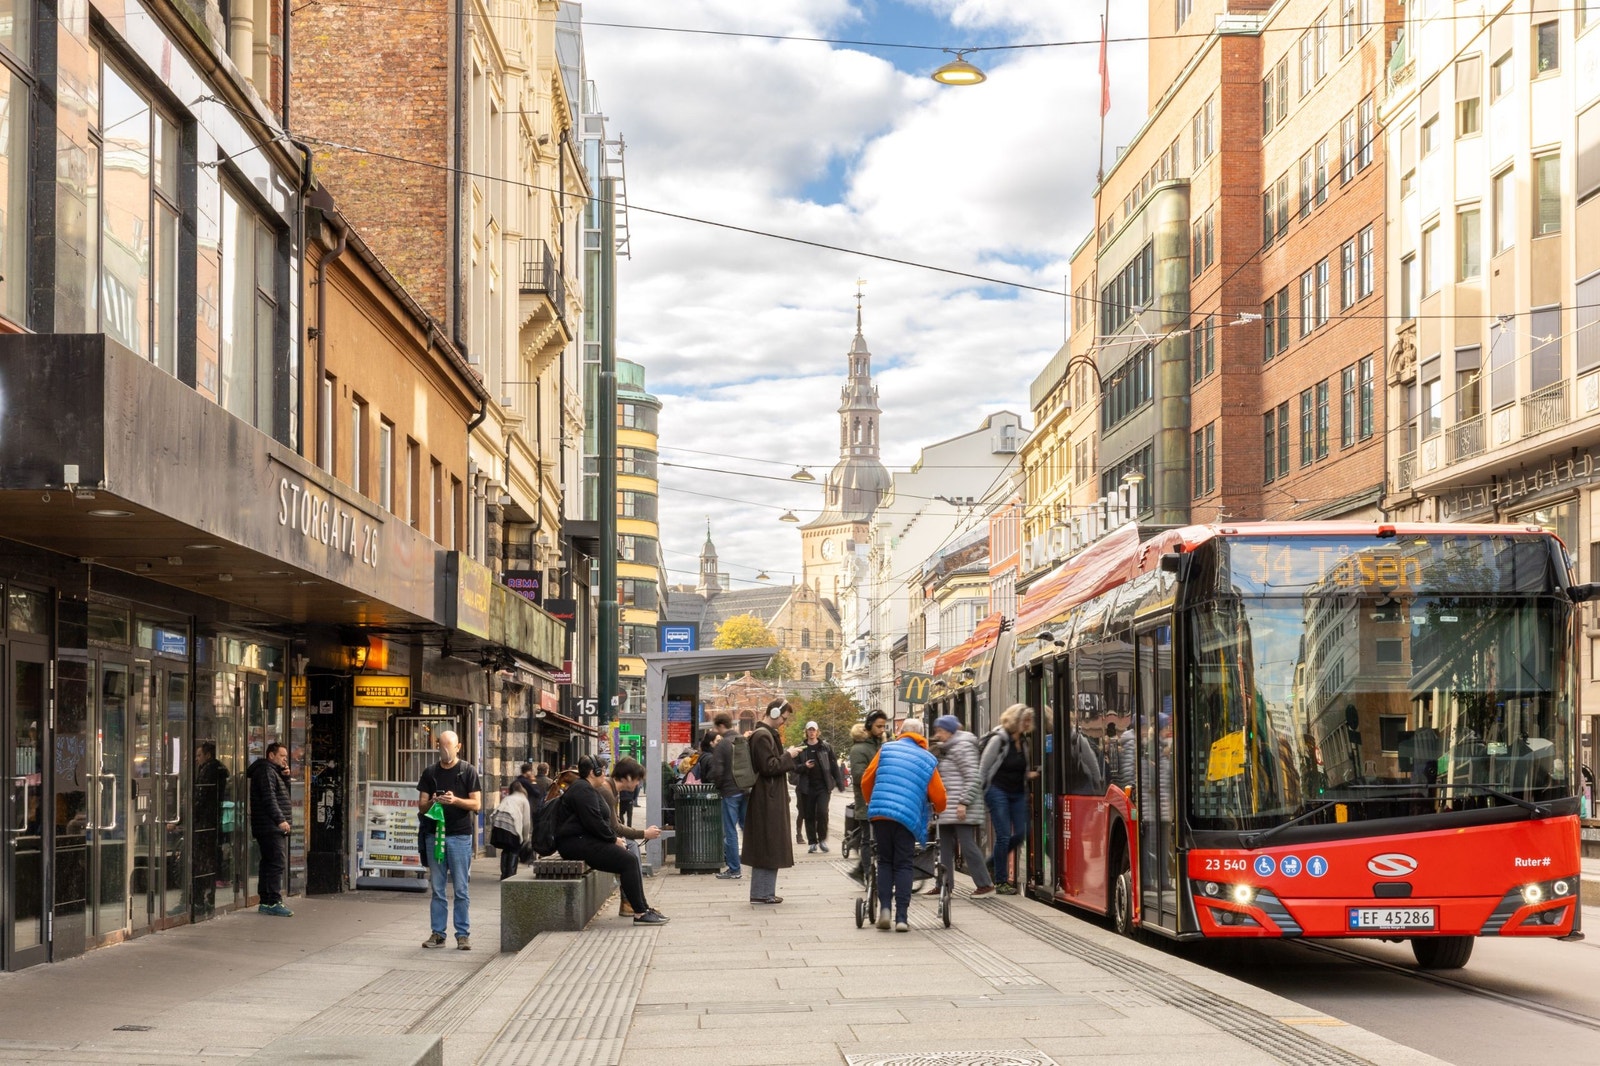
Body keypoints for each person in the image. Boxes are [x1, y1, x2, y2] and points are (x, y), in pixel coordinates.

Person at [555, 757, 668, 924]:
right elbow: (595, 822)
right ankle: (639, 912)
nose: (605, 774)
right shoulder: (584, 791)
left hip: (581, 841)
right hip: (575, 844)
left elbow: (598, 822)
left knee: (629, 858)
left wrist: (613, 839)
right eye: (602, 770)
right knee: (628, 861)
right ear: (594, 772)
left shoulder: (587, 788)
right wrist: (614, 840)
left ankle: (642, 908)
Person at [861, 719, 946, 931]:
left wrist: (872, 801)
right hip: (907, 818)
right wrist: (938, 808)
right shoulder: (927, 758)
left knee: (884, 861)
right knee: (903, 864)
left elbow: (866, 779)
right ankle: (901, 917)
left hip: (881, 815)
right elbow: (938, 795)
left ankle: (885, 910)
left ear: (901, 732)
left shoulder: (885, 749)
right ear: (921, 735)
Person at [417, 730, 482, 950]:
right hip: (434, 836)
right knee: (437, 887)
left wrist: (455, 801)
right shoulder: (430, 772)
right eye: (441, 746)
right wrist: (434, 801)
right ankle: (438, 934)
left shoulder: (468, 771)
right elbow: (422, 806)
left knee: (461, 888)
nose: (445, 751)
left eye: (449, 747)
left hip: (460, 836)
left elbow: (476, 804)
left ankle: (462, 935)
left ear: (458, 747)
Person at [928, 715, 995, 897]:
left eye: (940, 731)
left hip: (961, 808)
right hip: (948, 807)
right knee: (944, 847)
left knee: (967, 846)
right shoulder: (948, 748)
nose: (937, 734)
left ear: (950, 731)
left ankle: (985, 885)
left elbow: (973, 777)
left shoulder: (963, 746)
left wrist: (963, 802)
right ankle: (944, 885)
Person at [743, 698, 802, 904]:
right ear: (774, 713)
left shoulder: (764, 734)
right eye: (783, 718)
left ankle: (765, 892)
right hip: (767, 797)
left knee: (769, 844)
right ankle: (762, 893)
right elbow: (769, 766)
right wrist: (789, 755)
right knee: (768, 844)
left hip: (769, 795)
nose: (784, 722)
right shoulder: (762, 736)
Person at [590, 757, 664, 916]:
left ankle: (633, 902)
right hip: (593, 841)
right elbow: (615, 827)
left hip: (598, 837)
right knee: (631, 850)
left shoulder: (610, 789)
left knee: (631, 846)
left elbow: (615, 824)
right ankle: (632, 903)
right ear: (628, 777)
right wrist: (644, 833)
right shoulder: (606, 791)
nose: (638, 784)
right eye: (637, 779)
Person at [980, 704, 1037, 895]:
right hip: (997, 791)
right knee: (1003, 835)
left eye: (1029, 720)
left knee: (1022, 832)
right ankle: (1001, 881)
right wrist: (979, 794)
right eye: (1025, 720)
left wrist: (1029, 775)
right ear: (1015, 720)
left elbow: (1019, 767)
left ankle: (991, 862)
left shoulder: (1024, 742)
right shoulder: (999, 740)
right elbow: (983, 768)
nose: (1028, 724)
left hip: (1017, 792)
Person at [247, 742, 293, 917]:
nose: (285, 760)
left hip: (267, 825)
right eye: (282, 756)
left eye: (286, 756)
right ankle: (273, 901)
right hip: (269, 826)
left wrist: (285, 778)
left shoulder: (272, 771)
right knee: (276, 862)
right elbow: (269, 798)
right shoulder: (266, 771)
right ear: (271, 755)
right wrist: (280, 820)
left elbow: (280, 795)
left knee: (268, 862)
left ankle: (266, 901)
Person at [702, 711, 746, 880]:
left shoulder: (723, 744)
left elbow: (717, 771)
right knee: (745, 827)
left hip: (729, 791)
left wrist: (718, 786)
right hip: (745, 789)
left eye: (716, 727)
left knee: (730, 831)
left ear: (721, 725)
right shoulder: (742, 740)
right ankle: (756, 860)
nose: (716, 730)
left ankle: (734, 868)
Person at [847, 709, 888, 883]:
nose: (882, 730)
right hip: (866, 801)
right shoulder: (859, 749)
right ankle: (867, 874)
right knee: (868, 839)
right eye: (879, 726)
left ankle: (862, 870)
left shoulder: (881, 745)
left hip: (882, 799)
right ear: (869, 726)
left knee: (878, 839)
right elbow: (858, 776)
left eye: (884, 726)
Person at [795, 720, 842, 853]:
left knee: (822, 812)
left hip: (823, 786)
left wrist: (839, 781)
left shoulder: (825, 747)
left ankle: (822, 839)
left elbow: (833, 765)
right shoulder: (801, 748)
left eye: (813, 730)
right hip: (807, 786)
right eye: (809, 730)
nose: (811, 732)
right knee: (809, 814)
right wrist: (805, 766)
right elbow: (794, 767)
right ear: (806, 732)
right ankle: (812, 842)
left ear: (817, 732)